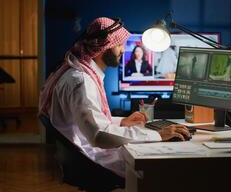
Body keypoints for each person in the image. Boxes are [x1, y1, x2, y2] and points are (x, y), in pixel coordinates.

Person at [39, 17, 190, 179]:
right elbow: (99, 136)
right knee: (167, 169)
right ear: (104, 47)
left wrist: (121, 122)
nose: (124, 50)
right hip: (93, 159)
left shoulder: (80, 71)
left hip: (85, 153)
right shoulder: (82, 81)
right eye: (119, 45)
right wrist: (158, 135)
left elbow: (91, 121)